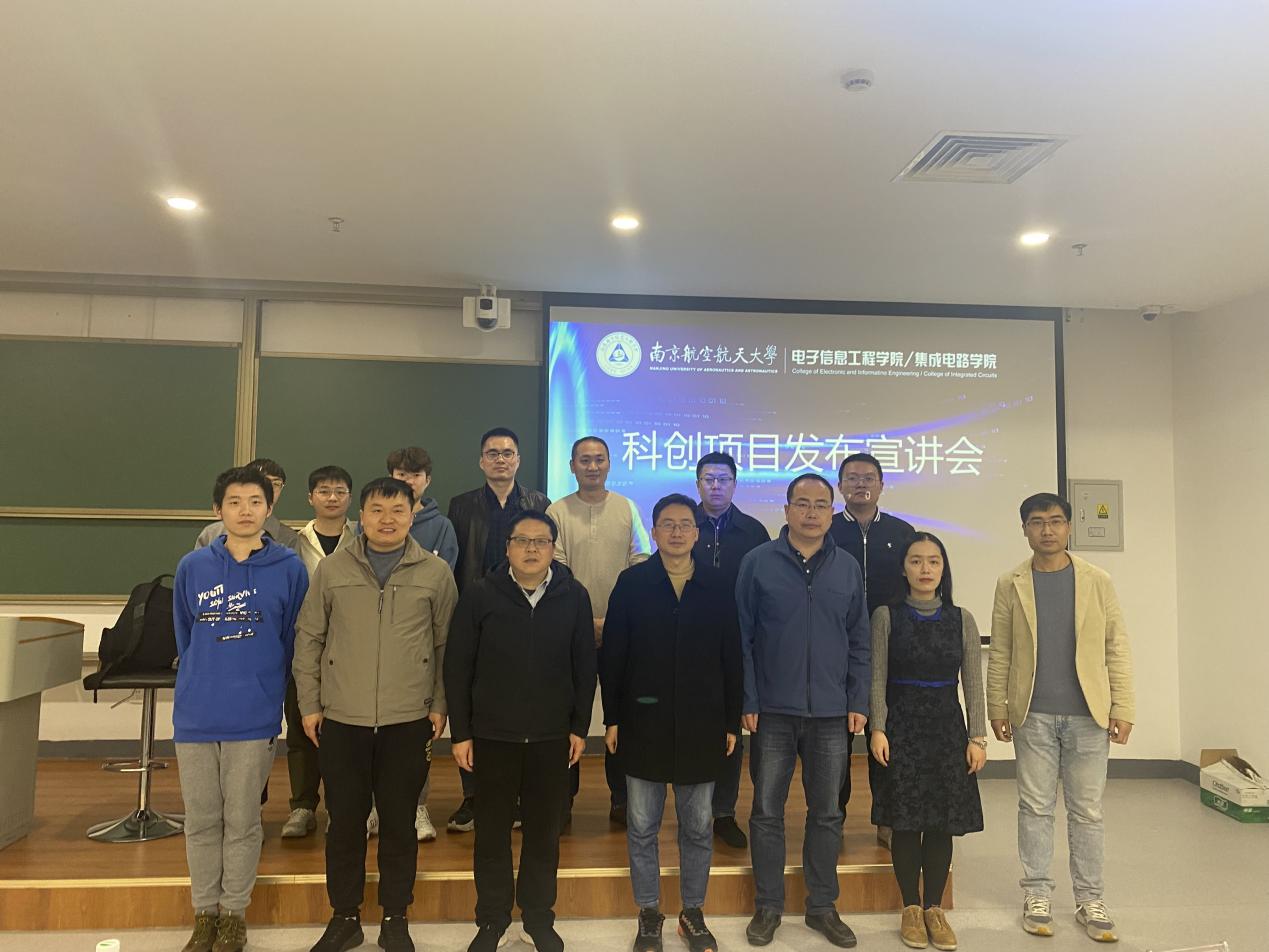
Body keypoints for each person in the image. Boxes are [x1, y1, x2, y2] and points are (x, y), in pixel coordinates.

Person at [294, 477, 457, 952]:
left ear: (413, 514)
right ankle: (344, 917)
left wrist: (440, 703)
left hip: (408, 719)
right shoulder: (332, 569)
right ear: (361, 516)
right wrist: (310, 704)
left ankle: (395, 918)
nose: (387, 520)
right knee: (344, 823)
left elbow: (446, 647)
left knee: (399, 823)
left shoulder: (435, 572)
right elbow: (309, 639)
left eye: (398, 510)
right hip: (343, 717)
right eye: (377, 510)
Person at [444, 510, 595, 952]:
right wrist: (461, 733)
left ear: (553, 549)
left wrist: (579, 727)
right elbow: (458, 667)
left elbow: (585, 666)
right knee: (491, 834)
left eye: (541, 541)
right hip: (493, 737)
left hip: (552, 737)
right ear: (507, 547)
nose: (532, 549)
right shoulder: (480, 594)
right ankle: (492, 919)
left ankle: (537, 918)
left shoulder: (574, 596)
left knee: (544, 834)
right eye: (522, 540)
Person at [988, 493, 1135, 944]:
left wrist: (1124, 707)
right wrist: (997, 706)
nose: (1047, 530)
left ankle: (1090, 899)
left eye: (1055, 521)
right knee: (1034, 807)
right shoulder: (1011, 582)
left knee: (1087, 811)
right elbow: (1001, 650)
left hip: (1089, 715)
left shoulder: (1096, 580)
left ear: (1069, 527)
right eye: (1037, 522)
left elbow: (1116, 645)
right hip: (1032, 714)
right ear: (1025, 530)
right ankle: (1036, 894)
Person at [173, 466, 309, 952]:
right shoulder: (193, 566)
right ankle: (204, 913)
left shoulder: (290, 569)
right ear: (218, 510)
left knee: (243, 820)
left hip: (253, 714)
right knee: (201, 820)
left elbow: (293, 639)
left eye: (255, 501)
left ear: (269, 509)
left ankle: (233, 914)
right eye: (234, 502)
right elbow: (185, 634)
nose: (245, 510)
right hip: (195, 713)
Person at [603, 494, 742, 952]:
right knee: (642, 825)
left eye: (685, 524)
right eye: (668, 524)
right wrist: (612, 717)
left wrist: (731, 720)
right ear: (654, 532)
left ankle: (692, 912)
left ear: (697, 533)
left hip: (703, 722)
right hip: (642, 722)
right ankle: (648, 912)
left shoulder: (718, 585)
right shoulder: (632, 583)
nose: (677, 532)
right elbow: (614, 655)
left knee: (698, 826)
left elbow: (731, 656)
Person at [737, 474, 870, 949]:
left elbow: (859, 640)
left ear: (832, 512)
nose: (811, 513)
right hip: (772, 711)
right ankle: (768, 906)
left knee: (827, 813)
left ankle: (822, 907)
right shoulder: (758, 563)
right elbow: (742, 638)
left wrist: (858, 701)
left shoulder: (847, 567)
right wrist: (748, 699)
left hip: (832, 713)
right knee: (766, 812)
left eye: (820, 505)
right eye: (802, 503)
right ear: (787, 509)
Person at [869, 532, 986, 951]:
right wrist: (878, 728)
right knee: (905, 821)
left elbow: (972, 681)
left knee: (940, 821)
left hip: (946, 728)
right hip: (901, 728)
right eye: (916, 561)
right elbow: (876, 678)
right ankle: (910, 908)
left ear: (943, 568)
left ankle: (934, 908)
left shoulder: (962, 618)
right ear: (903, 569)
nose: (925, 569)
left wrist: (977, 737)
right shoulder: (886, 616)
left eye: (933, 561)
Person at [446, 426, 551, 832]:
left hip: (526, 615)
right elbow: (455, 564)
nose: (501, 459)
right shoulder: (461, 506)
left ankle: (518, 797)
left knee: (520, 702)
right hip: (477, 611)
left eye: (508, 453)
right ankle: (473, 796)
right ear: (481, 461)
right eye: (493, 453)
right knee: (474, 702)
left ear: (518, 460)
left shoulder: (539, 503)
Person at [547, 435, 651, 826]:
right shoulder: (557, 511)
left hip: (621, 629)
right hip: (568, 629)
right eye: (585, 460)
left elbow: (641, 561)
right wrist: (584, 620)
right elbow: (555, 567)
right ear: (572, 466)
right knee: (566, 714)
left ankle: (622, 797)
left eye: (600, 459)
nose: (592, 466)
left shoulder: (627, 508)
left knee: (621, 713)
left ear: (609, 464)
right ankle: (562, 799)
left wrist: (612, 618)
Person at [829, 452, 915, 847]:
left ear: (881, 485)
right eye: (852, 477)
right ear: (840, 486)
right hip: (836, 649)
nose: (860, 484)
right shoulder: (827, 530)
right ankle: (833, 817)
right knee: (836, 740)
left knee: (886, 733)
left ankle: (887, 818)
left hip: (889, 649)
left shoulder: (902, 531)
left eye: (868, 477)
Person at [692, 452, 770, 851]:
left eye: (723, 479)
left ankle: (723, 812)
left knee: (730, 729)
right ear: (698, 484)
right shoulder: (683, 524)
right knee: (691, 725)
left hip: (739, 642)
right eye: (709, 479)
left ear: (735, 485)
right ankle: (692, 812)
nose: (716, 486)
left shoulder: (753, 532)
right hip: (689, 639)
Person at [386, 445, 459, 842]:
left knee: (417, 735)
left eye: (415, 475)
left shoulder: (441, 527)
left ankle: (417, 806)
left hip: (421, 643)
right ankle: (376, 808)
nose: (408, 481)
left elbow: (442, 582)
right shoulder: (371, 521)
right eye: (401, 474)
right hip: (376, 641)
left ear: (427, 480)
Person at [282, 465, 357, 839]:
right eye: (324, 491)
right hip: (305, 647)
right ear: (310, 497)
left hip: (352, 650)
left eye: (340, 491)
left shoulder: (363, 540)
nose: (332, 497)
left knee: (349, 734)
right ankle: (303, 806)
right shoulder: (291, 545)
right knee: (301, 728)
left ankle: (346, 808)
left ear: (350, 498)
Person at [194, 457, 300, 551]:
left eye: (276, 483)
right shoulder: (211, 533)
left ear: (269, 509)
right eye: (265, 481)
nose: (270, 488)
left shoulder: (289, 538)